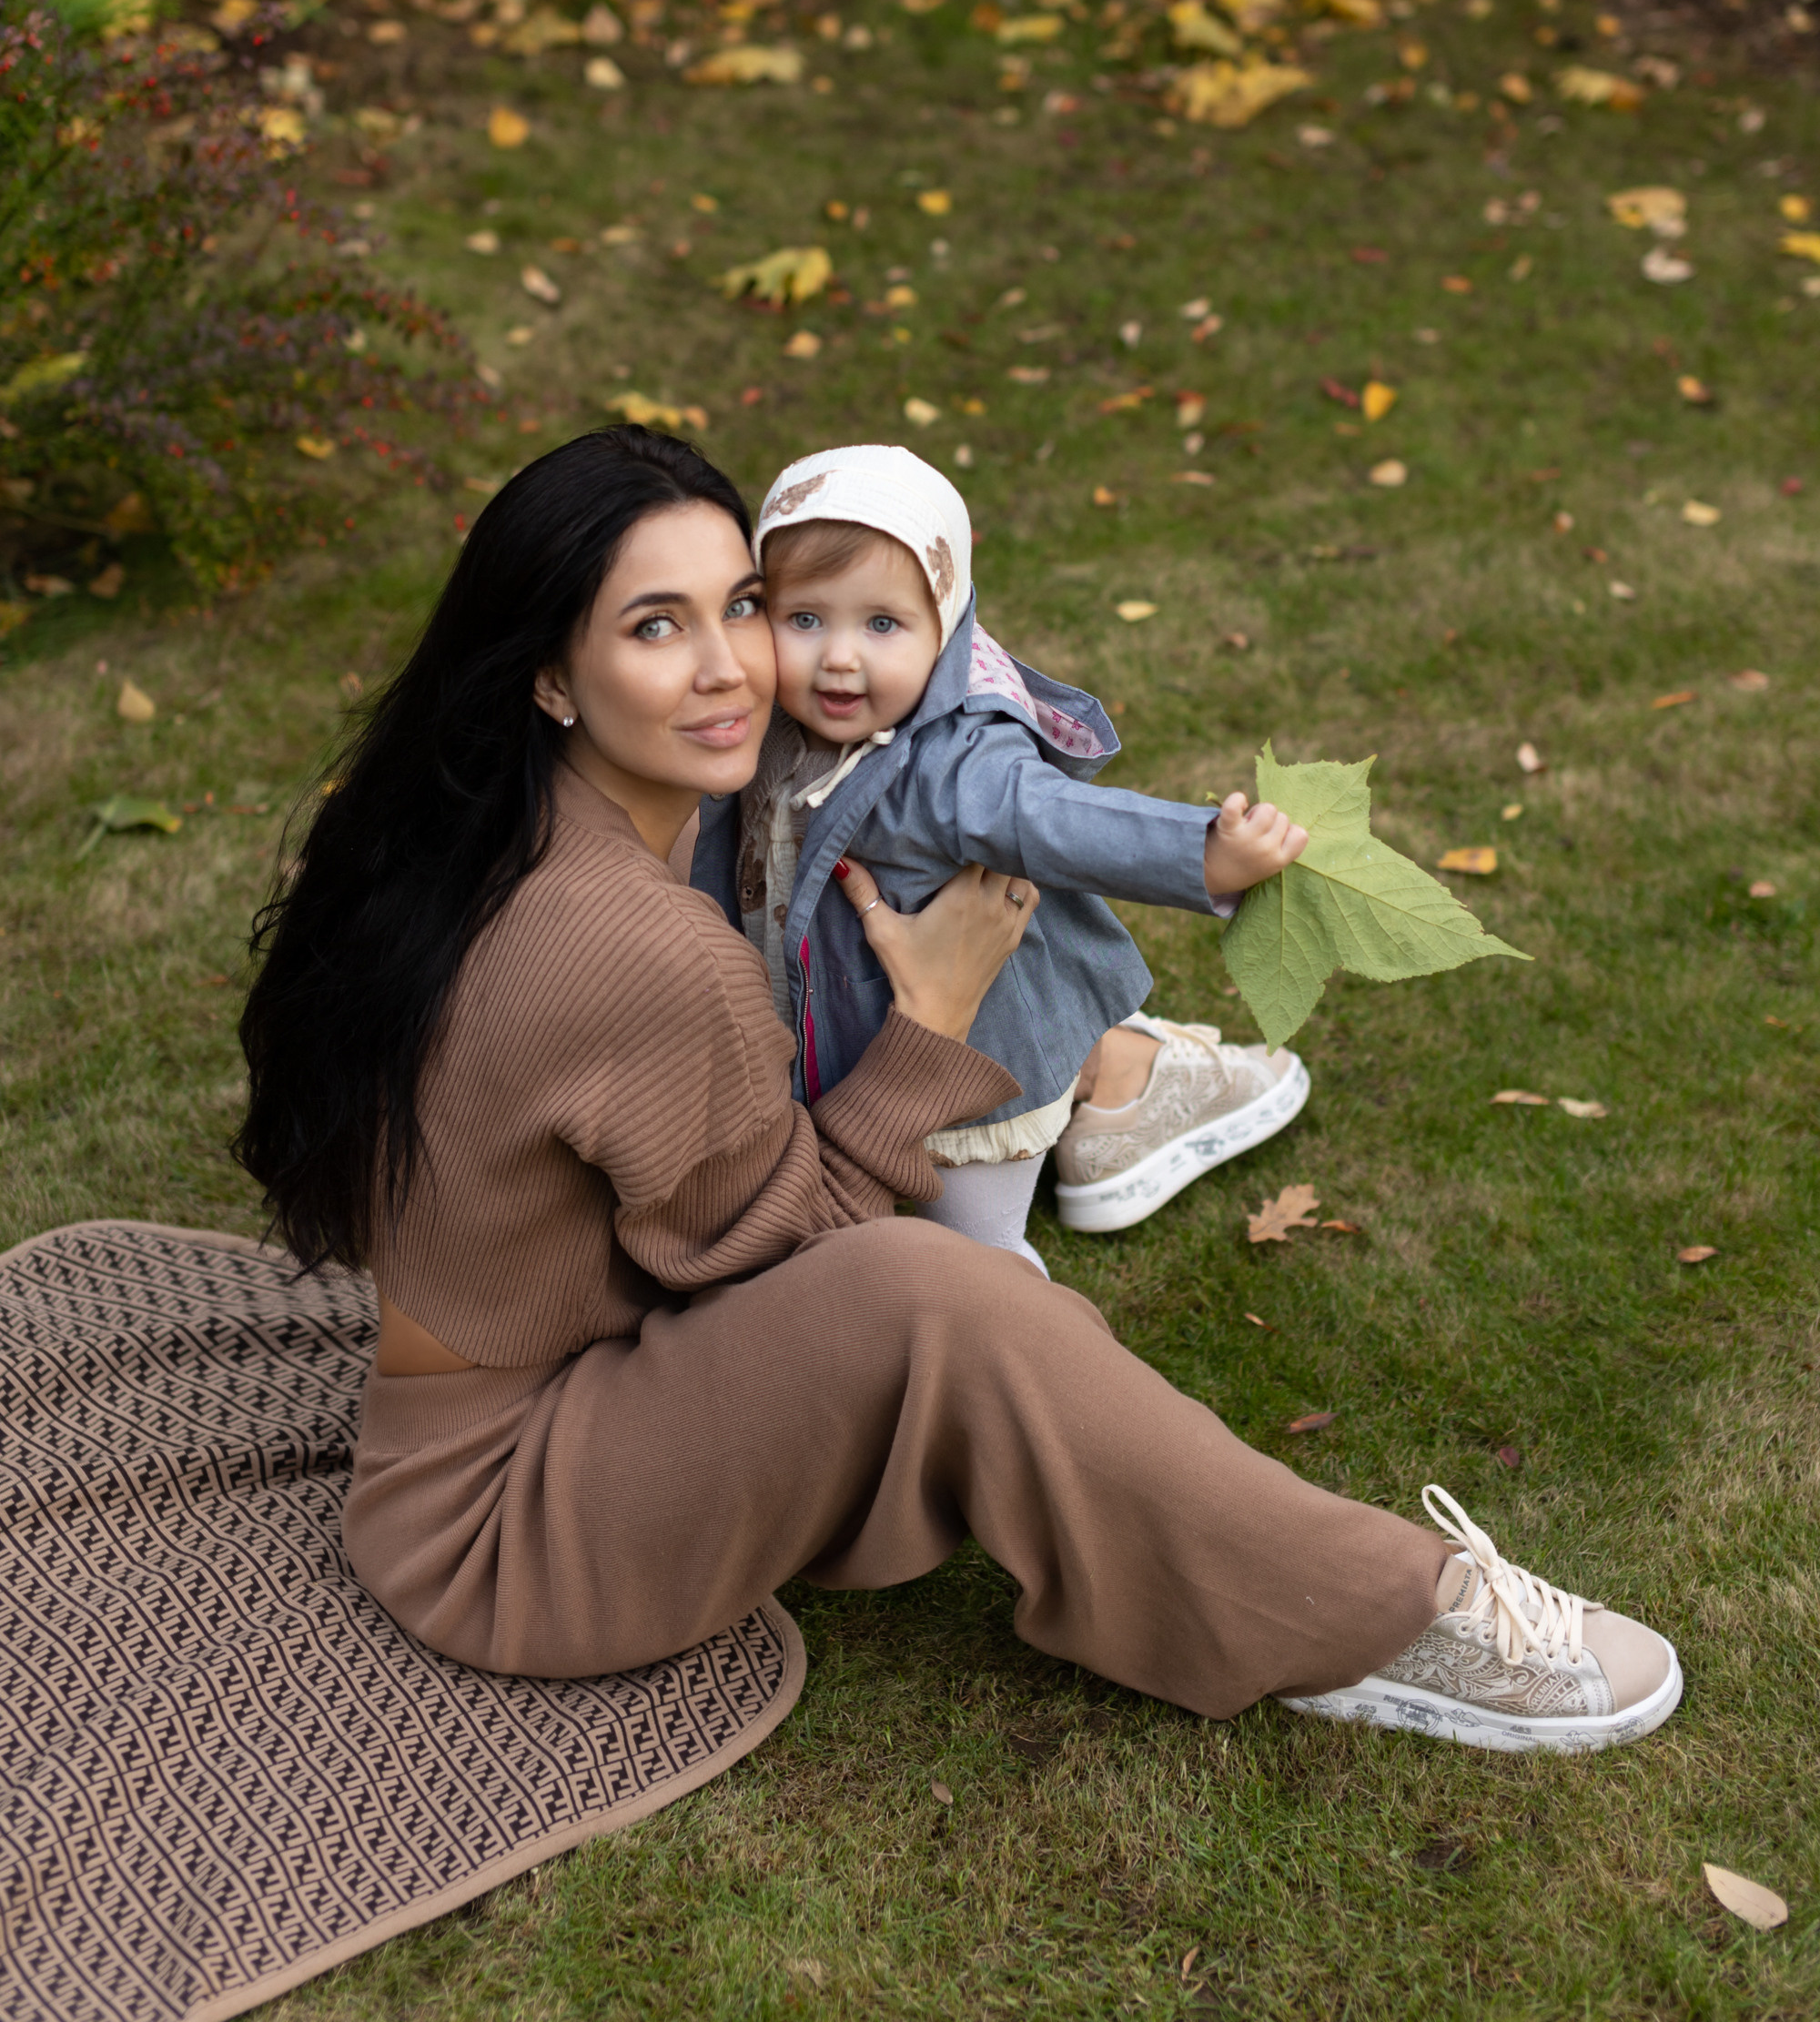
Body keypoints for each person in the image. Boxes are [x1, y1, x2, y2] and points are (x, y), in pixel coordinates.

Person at [235, 426, 1681, 1752]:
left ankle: (1119, 1072)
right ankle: (1376, 1617)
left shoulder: (513, 824)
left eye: (741, 605)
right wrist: (930, 1018)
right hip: (512, 1528)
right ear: (549, 675)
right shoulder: (636, 942)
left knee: (963, 1269)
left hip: (500, 1406)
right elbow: (806, 1259)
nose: (737, 667)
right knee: (964, 1309)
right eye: (653, 628)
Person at [692, 443, 1307, 1266]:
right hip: (852, 1031)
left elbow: (1056, 820)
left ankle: (1014, 1321)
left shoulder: (952, 763)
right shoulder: (766, 720)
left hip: (975, 1067)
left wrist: (1203, 856)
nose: (840, 657)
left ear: (943, 627)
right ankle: (1122, 1073)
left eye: (882, 624)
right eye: (805, 619)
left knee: (975, 1252)